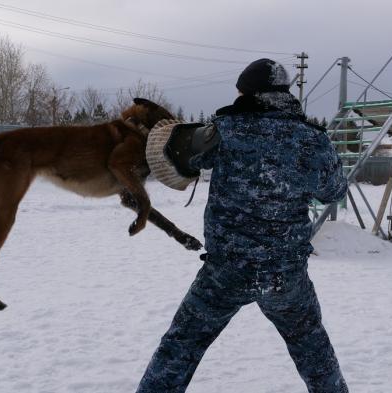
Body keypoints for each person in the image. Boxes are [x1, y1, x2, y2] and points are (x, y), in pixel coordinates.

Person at [136, 58, 349, 393]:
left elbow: (177, 157)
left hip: (225, 273)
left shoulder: (225, 130)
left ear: (247, 92)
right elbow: (334, 191)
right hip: (285, 276)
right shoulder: (312, 140)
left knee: (179, 349)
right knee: (315, 354)